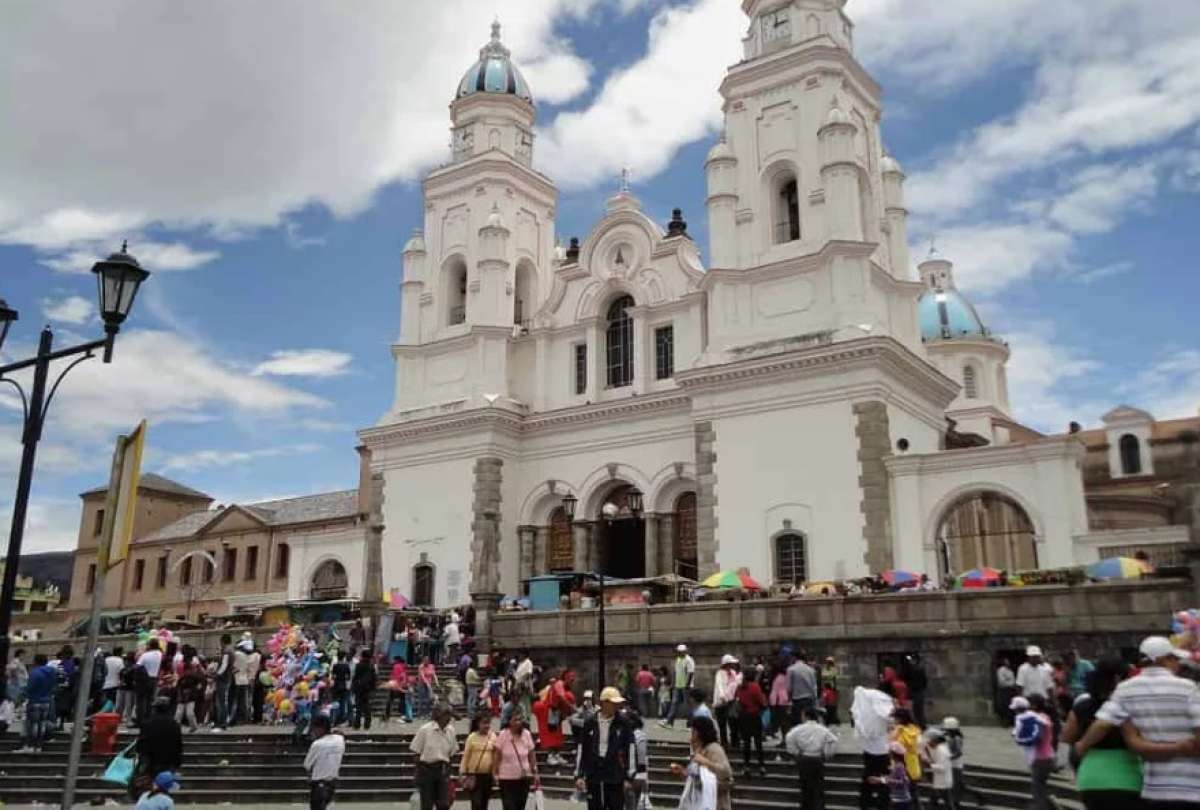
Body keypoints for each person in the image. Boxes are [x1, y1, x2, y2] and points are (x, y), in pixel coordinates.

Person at [1079, 636, 1200, 810]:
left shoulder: (1126, 689)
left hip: (1155, 788)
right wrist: (1181, 747)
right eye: (1175, 659)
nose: (1178, 664)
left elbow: (1103, 724)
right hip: (1193, 786)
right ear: (1166, 659)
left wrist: (1082, 746)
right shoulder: (1188, 688)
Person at [1061, 657, 1142, 810]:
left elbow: (1067, 737)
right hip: (1128, 779)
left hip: (1091, 780)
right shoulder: (1131, 708)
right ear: (1118, 679)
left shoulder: (1082, 706)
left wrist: (1083, 744)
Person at [575, 687, 635, 810]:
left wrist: (629, 776)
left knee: (616, 805)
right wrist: (579, 775)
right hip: (594, 772)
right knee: (594, 806)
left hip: (615, 773)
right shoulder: (590, 722)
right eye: (613, 703)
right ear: (604, 703)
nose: (617, 706)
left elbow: (630, 748)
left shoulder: (623, 723)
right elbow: (582, 748)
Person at [668, 715, 733, 810]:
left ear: (701, 732)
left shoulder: (714, 749)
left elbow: (726, 772)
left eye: (694, 730)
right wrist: (682, 772)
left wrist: (705, 762)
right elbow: (696, 779)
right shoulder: (699, 749)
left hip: (715, 804)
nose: (692, 733)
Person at [785, 706, 838, 810]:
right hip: (817, 758)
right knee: (818, 787)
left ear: (806, 716)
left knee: (805, 787)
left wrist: (795, 751)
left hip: (804, 758)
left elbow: (789, 737)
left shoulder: (798, 729)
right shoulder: (822, 729)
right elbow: (833, 740)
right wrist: (827, 754)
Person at [852, 685, 895, 810]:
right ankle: (882, 803)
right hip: (882, 750)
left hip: (869, 748)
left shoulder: (866, 697)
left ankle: (865, 802)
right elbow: (888, 716)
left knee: (868, 776)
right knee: (883, 778)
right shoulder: (883, 701)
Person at [1012, 694, 1056, 810]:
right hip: (1048, 756)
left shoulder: (1037, 719)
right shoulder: (1045, 717)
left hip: (1040, 757)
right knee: (1041, 787)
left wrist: (1021, 740)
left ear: (1034, 705)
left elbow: (1038, 737)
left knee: (1037, 789)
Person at [411, 704, 459, 810]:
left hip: (443, 770)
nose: (448, 718)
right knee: (427, 804)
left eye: (449, 716)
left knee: (444, 804)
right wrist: (418, 773)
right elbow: (416, 753)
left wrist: (448, 771)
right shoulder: (425, 730)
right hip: (427, 770)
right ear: (438, 715)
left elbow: (453, 753)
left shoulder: (451, 731)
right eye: (446, 715)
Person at [495, 709, 540, 810]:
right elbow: (497, 756)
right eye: (515, 720)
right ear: (509, 721)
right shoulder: (503, 735)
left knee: (520, 805)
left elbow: (531, 755)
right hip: (506, 778)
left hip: (523, 777)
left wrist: (535, 772)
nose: (518, 722)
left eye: (520, 719)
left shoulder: (526, 734)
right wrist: (495, 773)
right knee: (509, 806)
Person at [138, 697, 183, 796]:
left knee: (150, 787)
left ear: (155, 709)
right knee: (165, 786)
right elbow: (178, 745)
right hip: (168, 761)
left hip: (151, 761)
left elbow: (141, 744)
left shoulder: (147, 723)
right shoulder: (174, 725)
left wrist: (142, 759)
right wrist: (177, 763)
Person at [533, 668, 576, 767]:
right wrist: (572, 707)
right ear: (565, 677)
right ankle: (550, 756)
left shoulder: (566, 688)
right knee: (551, 735)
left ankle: (556, 755)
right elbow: (561, 696)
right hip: (549, 712)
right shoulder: (559, 684)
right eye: (571, 677)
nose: (572, 680)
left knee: (557, 735)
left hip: (556, 713)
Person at [941, 717, 986, 810]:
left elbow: (958, 752)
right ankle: (977, 796)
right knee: (959, 785)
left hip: (956, 765)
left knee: (958, 785)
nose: (945, 731)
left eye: (946, 729)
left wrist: (949, 758)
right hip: (952, 764)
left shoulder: (957, 738)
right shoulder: (949, 737)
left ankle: (958, 801)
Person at [304, 713, 344, 810]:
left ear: (320, 728)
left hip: (319, 784)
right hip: (332, 783)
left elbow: (307, 764)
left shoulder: (317, 744)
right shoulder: (340, 740)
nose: (313, 731)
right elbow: (340, 734)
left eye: (315, 728)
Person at [18, 653, 56, 752]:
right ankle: (39, 746)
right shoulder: (52, 672)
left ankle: (30, 745)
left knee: (32, 724)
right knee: (42, 724)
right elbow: (54, 686)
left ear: (36, 661)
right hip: (46, 701)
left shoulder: (35, 672)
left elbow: (30, 687)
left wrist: (23, 695)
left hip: (35, 701)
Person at [460, 712, 497, 810]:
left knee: (484, 803)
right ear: (478, 724)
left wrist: (495, 773)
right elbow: (466, 756)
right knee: (476, 803)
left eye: (488, 723)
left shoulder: (493, 736)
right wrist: (463, 773)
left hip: (487, 776)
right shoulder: (472, 737)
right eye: (484, 723)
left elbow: (495, 755)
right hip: (474, 776)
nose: (487, 726)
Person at [735, 666, 768, 777]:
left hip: (743, 716)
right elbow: (761, 702)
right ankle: (761, 765)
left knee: (746, 742)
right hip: (754, 715)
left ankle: (746, 766)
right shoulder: (755, 687)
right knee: (758, 742)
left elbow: (738, 700)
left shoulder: (740, 687)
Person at [661, 644, 695, 728]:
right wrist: (673, 683)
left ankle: (691, 724)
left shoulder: (689, 660)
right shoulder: (678, 659)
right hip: (678, 685)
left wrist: (687, 685)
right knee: (674, 704)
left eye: (681, 652)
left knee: (688, 706)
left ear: (685, 651)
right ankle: (669, 722)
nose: (679, 653)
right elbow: (675, 672)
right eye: (679, 652)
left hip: (686, 686)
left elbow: (690, 673)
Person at [891, 707, 923, 797]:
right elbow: (919, 747)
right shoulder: (915, 729)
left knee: (904, 792)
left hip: (902, 764)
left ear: (900, 719)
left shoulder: (899, 730)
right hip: (913, 764)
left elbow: (892, 745)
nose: (894, 720)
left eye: (895, 718)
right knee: (913, 791)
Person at [713, 655, 741, 749]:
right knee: (722, 724)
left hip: (731, 701)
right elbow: (719, 685)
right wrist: (722, 696)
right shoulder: (720, 674)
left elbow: (736, 683)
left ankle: (735, 741)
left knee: (733, 722)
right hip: (720, 702)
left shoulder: (733, 673)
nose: (732, 665)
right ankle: (724, 741)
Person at [924, 727, 954, 810]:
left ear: (935, 740)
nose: (928, 743)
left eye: (929, 741)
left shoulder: (941, 750)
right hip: (940, 781)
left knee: (946, 803)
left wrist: (930, 765)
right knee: (934, 802)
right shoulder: (940, 748)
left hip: (942, 782)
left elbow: (942, 767)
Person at [788, 654, 818, 727]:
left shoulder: (791, 669)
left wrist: (789, 699)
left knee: (797, 722)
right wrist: (815, 698)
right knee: (809, 720)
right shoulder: (811, 670)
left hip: (797, 698)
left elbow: (789, 687)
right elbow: (814, 686)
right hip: (809, 698)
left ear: (794, 658)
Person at [351, 646, 377, 730]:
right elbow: (374, 678)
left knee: (358, 707)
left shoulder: (359, 665)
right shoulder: (371, 666)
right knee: (367, 707)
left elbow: (356, 677)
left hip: (359, 688)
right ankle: (367, 723)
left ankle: (357, 724)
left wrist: (353, 687)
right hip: (367, 688)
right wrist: (373, 687)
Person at [211, 634, 233, 731]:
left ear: (223, 641)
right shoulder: (230, 651)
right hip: (227, 678)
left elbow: (224, 666)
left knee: (221, 702)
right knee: (223, 701)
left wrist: (216, 675)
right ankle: (222, 722)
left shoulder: (226, 652)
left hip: (223, 679)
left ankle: (222, 722)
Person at [883, 741, 914, 810]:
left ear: (893, 754)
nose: (888, 753)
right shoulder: (897, 765)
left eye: (890, 751)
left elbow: (902, 782)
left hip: (901, 801)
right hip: (897, 799)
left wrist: (886, 780)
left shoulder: (899, 766)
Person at [904, 655, 929, 729]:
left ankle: (922, 726)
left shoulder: (918, 669)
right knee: (916, 710)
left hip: (917, 691)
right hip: (916, 691)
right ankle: (920, 725)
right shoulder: (913, 669)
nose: (911, 662)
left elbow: (923, 681)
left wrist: (912, 686)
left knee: (918, 710)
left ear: (915, 661)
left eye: (912, 660)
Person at [384, 658, 412, 723]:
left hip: (396, 686)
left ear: (397, 661)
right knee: (402, 701)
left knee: (390, 701)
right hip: (402, 686)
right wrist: (407, 686)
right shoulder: (403, 668)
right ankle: (403, 716)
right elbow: (405, 678)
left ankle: (387, 716)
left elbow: (395, 677)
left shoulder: (396, 666)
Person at [995, 659, 1017, 726]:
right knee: (1004, 705)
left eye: (1008, 662)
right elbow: (1002, 682)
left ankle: (1010, 721)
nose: (1008, 663)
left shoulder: (1010, 671)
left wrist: (1009, 681)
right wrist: (1010, 683)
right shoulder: (1001, 670)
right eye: (1006, 662)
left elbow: (1013, 680)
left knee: (1011, 705)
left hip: (1010, 690)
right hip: (1004, 690)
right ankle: (1004, 722)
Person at [820, 657, 840, 726]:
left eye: (830, 662)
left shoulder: (834, 669)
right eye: (828, 662)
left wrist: (827, 677)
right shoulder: (824, 669)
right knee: (825, 704)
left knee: (832, 705)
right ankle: (827, 719)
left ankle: (833, 719)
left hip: (832, 689)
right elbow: (823, 676)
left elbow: (833, 676)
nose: (829, 663)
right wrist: (828, 677)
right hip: (825, 688)